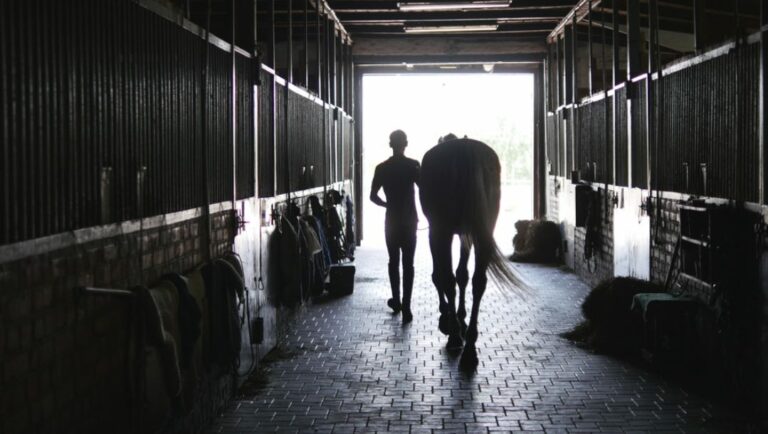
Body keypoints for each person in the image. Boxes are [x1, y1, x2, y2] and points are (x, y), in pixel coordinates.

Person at [370, 130, 420, 323]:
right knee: (409, 264)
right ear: (406, 144)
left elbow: (373, 196)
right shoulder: (413, 166)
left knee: (393, 261)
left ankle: (397, 300)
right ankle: (407, 306)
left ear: (390, 144)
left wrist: (387, 204)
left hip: (391, 221)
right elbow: (424, 189)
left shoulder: (382, 168)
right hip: (409, 222)